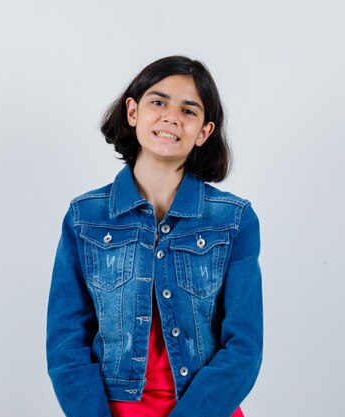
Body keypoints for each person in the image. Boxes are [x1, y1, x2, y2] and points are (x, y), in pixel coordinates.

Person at [46, 56, 263, 417]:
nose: (171, 117)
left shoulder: (234, 219)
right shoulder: (85, 217)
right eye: (158, 102)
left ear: (204, 132)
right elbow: (66, 341)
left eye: (189, 111)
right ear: (133, 112)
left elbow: (245, 346)